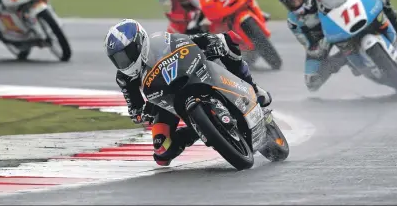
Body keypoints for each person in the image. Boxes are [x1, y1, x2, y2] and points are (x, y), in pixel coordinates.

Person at [104, 19, 273, 166]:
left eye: (127, 54)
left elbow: (188, 40)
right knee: (162, 152)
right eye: (118, 58)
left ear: (140, 42)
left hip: (191, 74)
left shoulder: (160, 40)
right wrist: (142, 114)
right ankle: (201, 131)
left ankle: (254, 88)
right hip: (165, 100)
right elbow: (134, 107)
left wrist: (211, 40)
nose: (124, 62)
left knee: (228, 41)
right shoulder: (124, 78)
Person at [275, 0, 397, 91]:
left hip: (346, 22)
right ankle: (346, 59)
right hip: (325, 39)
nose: (295, 2)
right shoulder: (294, 22)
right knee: (312, 82)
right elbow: (310, 47)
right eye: (289, 1)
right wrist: (322, 45)